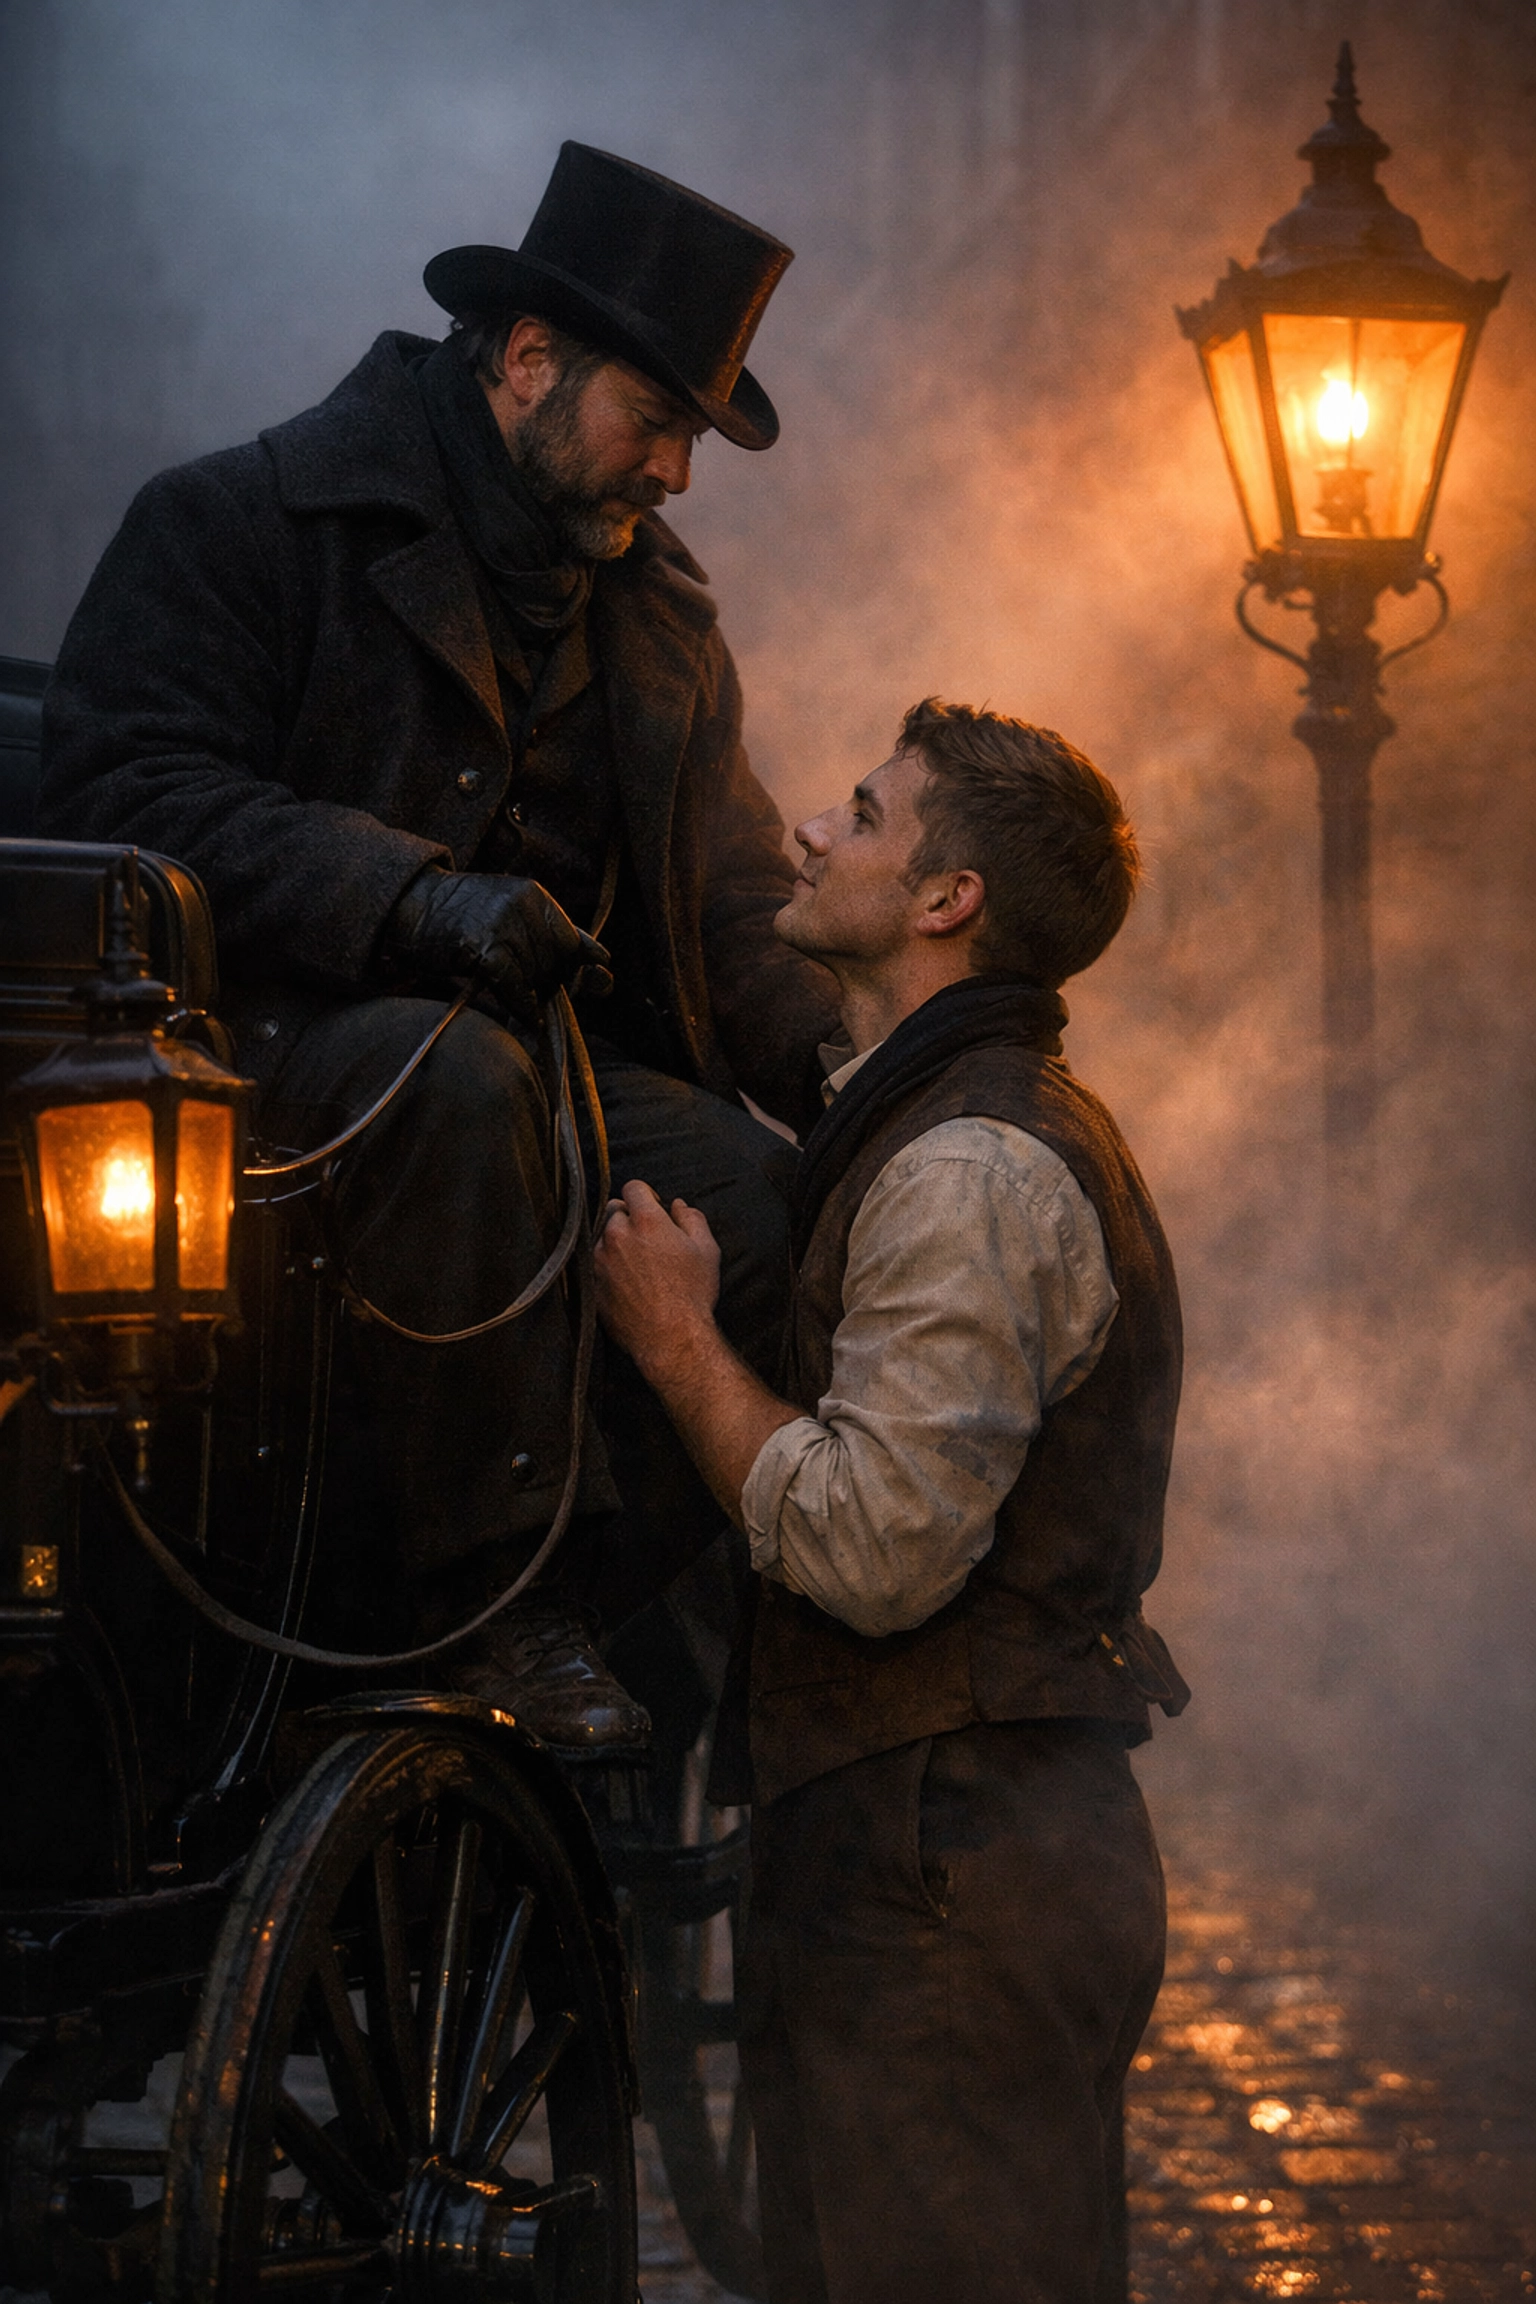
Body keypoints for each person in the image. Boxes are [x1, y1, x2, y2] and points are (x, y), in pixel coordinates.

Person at [37, 142, 838, 1748]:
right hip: (254, 1068)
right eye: (658, 420)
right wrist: (408, 898)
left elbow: (740, 887)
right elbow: (130, 786)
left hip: (552, 1083)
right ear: (528, 362)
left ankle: (608, 1590)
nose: (675, 475)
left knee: (792, 1213)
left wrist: (863, 1059)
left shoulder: (662, 618)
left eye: (692, 435)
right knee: (464, 1084)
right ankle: (487, 1609)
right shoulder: (238, 522)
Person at [595, 697, 1190, 2304]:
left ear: (946, 901)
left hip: (952, 1881)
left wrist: (677, 1344)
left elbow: (871, 1550)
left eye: (862, 814)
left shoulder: (970, 1169)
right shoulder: (938, 1121)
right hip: (937, 1858)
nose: (812, 830)